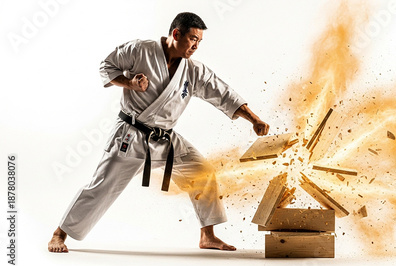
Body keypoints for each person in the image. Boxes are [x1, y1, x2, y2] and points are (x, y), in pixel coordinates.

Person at [48, 12, 269, 253]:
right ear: (176, 34)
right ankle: (59, 234)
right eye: (193, 39)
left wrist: (254, 119)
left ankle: (208, 236)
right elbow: (107, 66)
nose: (196, 46)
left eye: (199, 42)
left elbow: (223, 93)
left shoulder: (193, 70)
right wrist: (130, 83)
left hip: (165, 139)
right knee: (102, 186)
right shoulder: (140, 50)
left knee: (202, 172)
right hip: (131, 135)